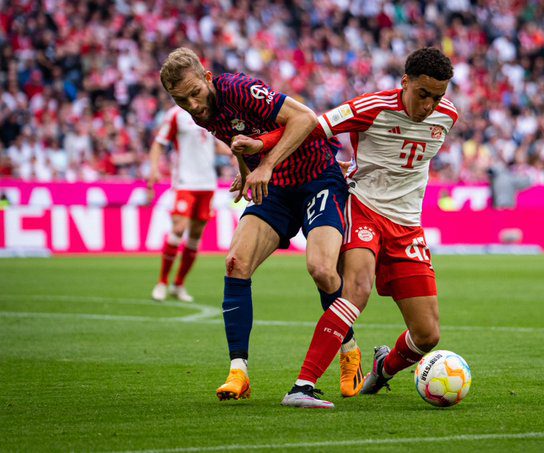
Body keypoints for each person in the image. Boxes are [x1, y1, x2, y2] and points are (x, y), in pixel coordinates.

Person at [233, 47, 459, 408]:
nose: (430, 104)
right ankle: (302, 386)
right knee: (356, 289)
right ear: (405, 83)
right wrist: (262, 147)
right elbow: (308, 124)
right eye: (423, 94)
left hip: (408, 226)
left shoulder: (448, 116)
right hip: (365, 209)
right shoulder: (372, 106)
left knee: (427, 334)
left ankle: (381, 369)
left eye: (438, 96)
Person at [158, 47, 364, 401]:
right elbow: (238, 143)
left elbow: (305, 119)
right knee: (235, 263)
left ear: (208, 77)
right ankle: (239, 372)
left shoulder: (239, 88)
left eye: (194, 93)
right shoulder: (200, 112)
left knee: (322, 270)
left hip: (318, 179)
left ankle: (349, 350)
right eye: (181, 100)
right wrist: (248, 172)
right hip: (275, 189)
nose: (191, 105)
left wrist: (265, 166)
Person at [148, 105, 231, 303]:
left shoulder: (210, 110)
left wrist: (232, 150)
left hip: (208, 184)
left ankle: (178, 284)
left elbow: (211, 144)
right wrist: (154, 170)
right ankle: (162, 282)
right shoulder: (176, 114)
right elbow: (159, 143)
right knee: (179, 228)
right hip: (185, 183)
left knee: (195, 237)